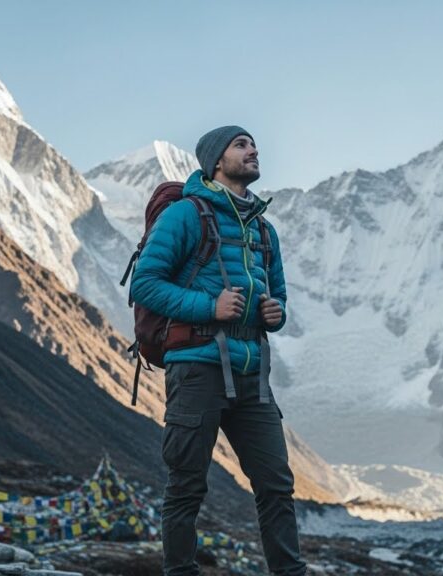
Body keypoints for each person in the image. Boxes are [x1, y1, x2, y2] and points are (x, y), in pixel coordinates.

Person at [131, 125, 306, 576]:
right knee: (186, 485)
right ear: (215, 161)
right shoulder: (187, 215)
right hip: (196, 369)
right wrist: (209, 305)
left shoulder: (264, 230)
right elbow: (145, 284)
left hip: (251, 374)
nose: (253, 150)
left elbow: (281, 296)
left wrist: (275, 313)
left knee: (276, 485)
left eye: (253, 144)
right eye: (241, 145)